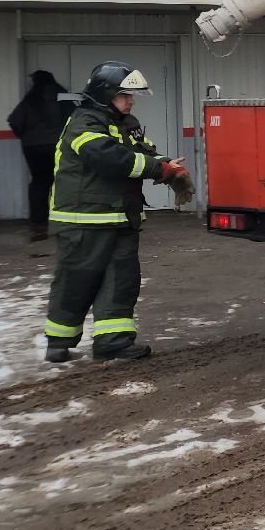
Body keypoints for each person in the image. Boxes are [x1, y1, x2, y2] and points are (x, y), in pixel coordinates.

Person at [42, 61, 188, 364]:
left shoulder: (125, 122)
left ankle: (113, 341)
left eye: (132, 96)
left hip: (121, 217)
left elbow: (143, 151)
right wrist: (156, 168)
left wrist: (168, 166)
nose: (130, 101)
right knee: (76, 280)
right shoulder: (84, 122)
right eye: (125, 95)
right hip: (84, 218)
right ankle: (59, 341)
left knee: (121, 281)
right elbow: (107, 158)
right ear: (104, 94)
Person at [7, 69, 75, 242]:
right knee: (63, 180)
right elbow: (76, 119)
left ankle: (38, 222)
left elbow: (14, 121)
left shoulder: (31, 98)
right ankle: (66, 218)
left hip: (34, 148)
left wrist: (28, 136)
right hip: (60, 145)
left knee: (39, 182)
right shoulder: (64, 97)